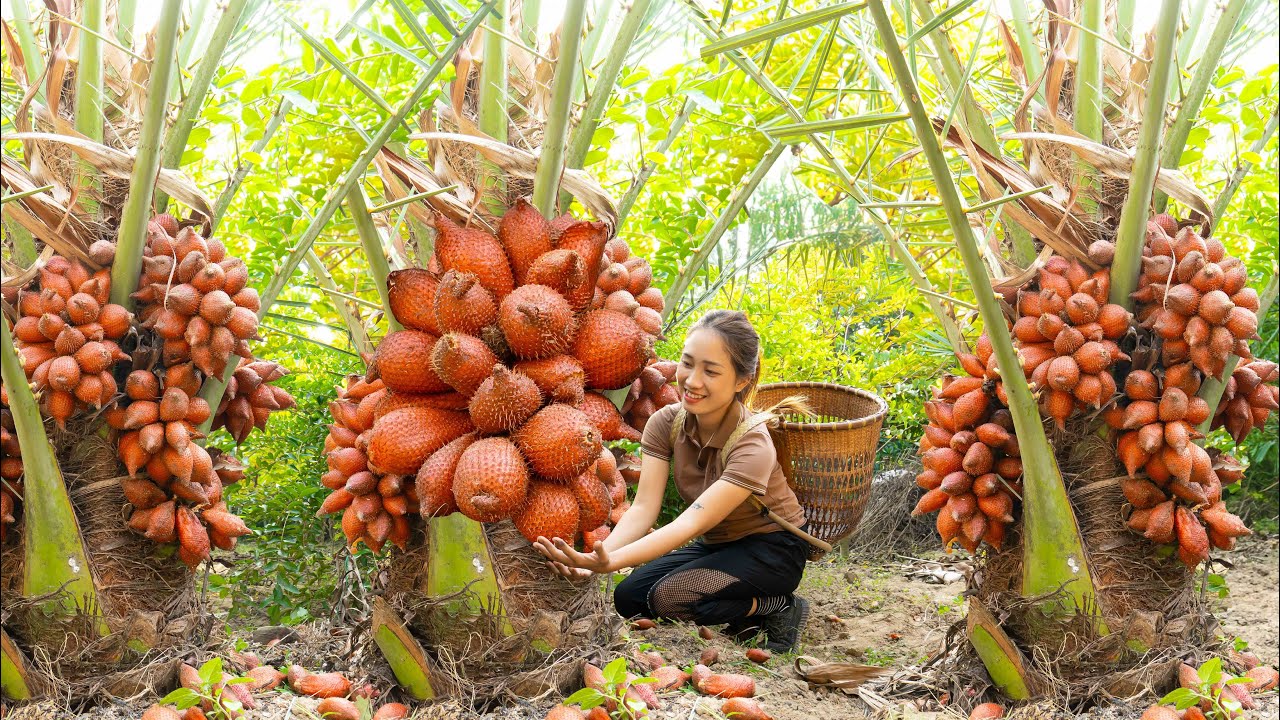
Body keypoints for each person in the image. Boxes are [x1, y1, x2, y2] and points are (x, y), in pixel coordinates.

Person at [532, 310, 813, 652]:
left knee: (669, 598)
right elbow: (643, 509)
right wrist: (598, 562)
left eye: (710, 371)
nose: (692, 381)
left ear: (741, 380)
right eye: (687, 363)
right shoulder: (666, 423)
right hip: (720, 545)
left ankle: (779, 605)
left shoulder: (753, 443)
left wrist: (609, 563)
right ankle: (742, 605)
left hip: (774, 549)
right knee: (629, 598)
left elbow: (691, 522)